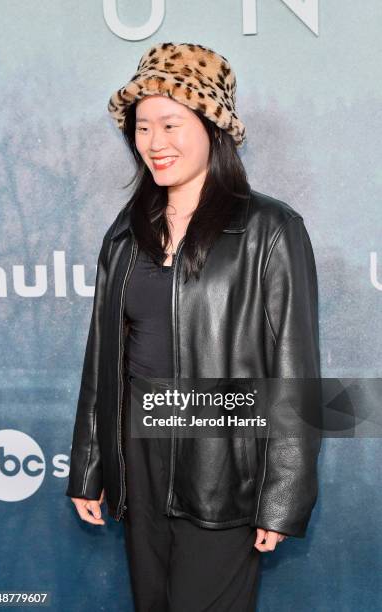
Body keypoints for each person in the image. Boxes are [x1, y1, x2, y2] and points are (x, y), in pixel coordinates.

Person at [65, 42, 322, 611]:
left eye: (172, 124)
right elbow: (102, 359)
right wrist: (90, 463)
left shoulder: (270, 229)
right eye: (143, 127)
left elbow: (294, 371)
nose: (156, 143)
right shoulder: (125, 233)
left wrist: (283, 497)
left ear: (212, 126)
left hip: (222, 467)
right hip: (137, 460)